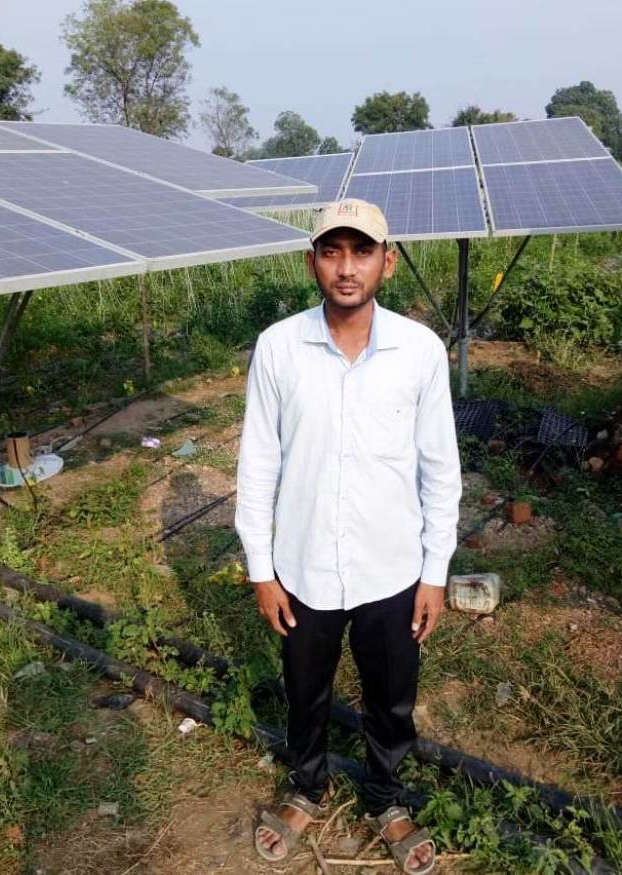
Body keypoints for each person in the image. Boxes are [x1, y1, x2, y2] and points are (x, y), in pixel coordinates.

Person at [235, 199, 462, 874]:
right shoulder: (280, 346)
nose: (345, 267)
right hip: (303, 566)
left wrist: (435, 570)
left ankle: (386, 796)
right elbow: (258, 463)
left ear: (386, 262)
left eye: (361, 251)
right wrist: (261, 568)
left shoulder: (418, 351)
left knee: (392, 694)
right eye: (331, 251)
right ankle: (306, 786)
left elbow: (439, 467)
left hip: (392, 567)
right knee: (304, 688)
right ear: (312, 262)